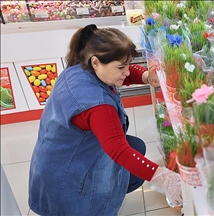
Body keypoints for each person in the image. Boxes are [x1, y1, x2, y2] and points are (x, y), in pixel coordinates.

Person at [28, 24, 182, 215]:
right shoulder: (98, 106)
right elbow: (118, 149)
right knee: (130, 154)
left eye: (127, 65)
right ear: (95, 62)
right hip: (66, 180)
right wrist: (162, 177)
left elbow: (119, 73)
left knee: (136, 147)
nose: (126, 71)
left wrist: (144, 75)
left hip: (55, 161)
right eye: (121, 67)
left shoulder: (79, 67)